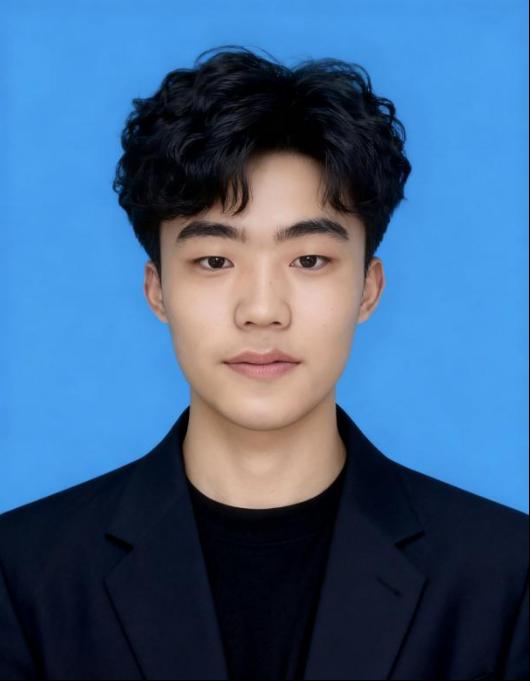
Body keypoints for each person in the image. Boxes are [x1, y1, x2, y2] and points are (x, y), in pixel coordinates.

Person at [0, 46, 527, 681]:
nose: (261, 310)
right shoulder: (23, 577)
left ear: (368, 289)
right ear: (157, 290)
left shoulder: (506, 577)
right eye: (214, 261)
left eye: (309, 260)